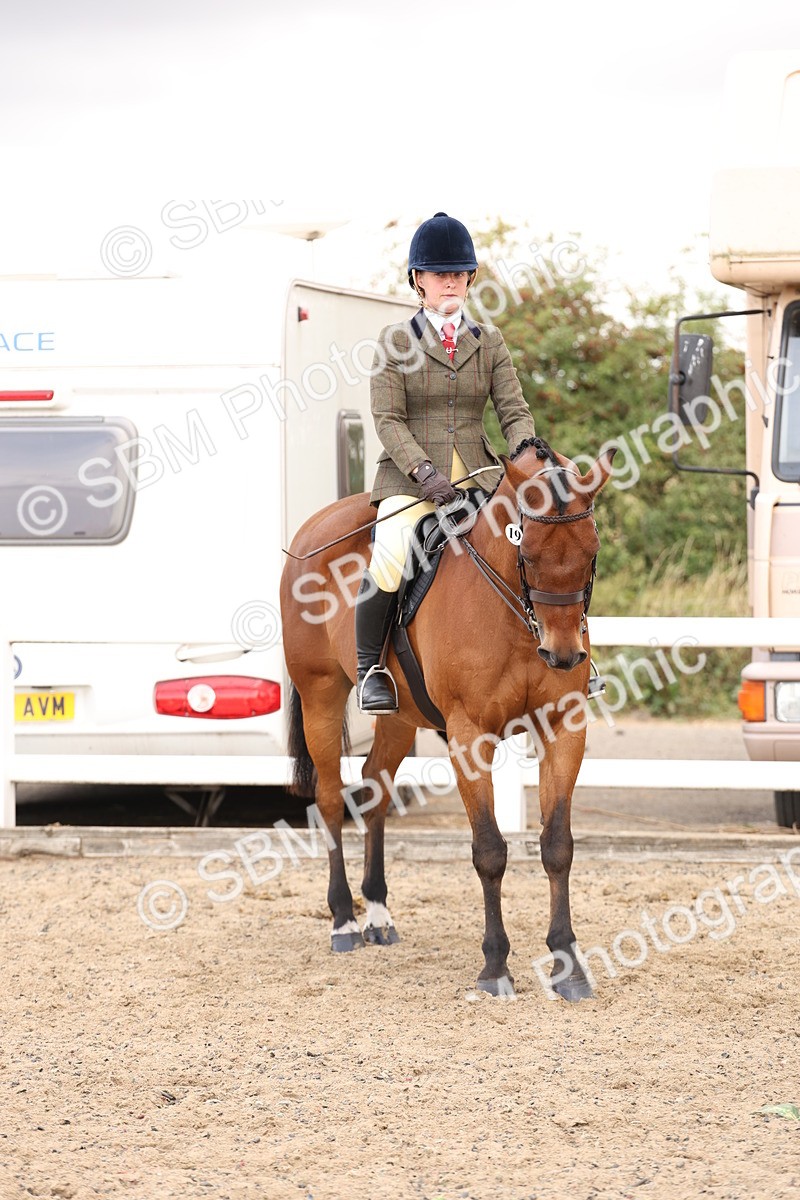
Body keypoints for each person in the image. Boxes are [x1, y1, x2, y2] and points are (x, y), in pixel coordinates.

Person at [356, 211, 537, 713]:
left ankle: (563, 659)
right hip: (413, 479)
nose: (450, 282)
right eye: (440, 274)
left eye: (458, 273)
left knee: (541, 540)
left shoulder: (489, 341)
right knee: (392, 552)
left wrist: (525, 456)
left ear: (470, 278)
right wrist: (423, 472)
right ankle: (369, 669)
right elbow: (387, 418)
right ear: (419, 280)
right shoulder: (396, 342)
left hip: (481, 475)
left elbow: (513, 410)